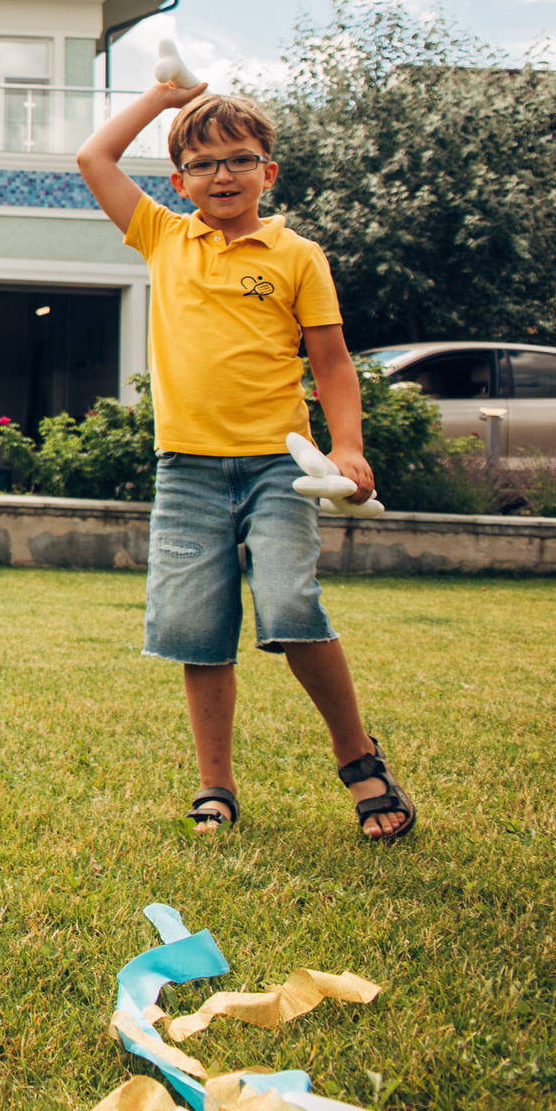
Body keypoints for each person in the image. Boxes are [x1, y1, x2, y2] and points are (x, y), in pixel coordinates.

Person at [77, 82, 416, 842]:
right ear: (179, 181)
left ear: (270, 171)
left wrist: (348, 445)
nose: (222, 175)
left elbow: (330, 364)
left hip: (279, 467)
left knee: (293, 608)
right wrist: (162, 98)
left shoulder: (298, 255)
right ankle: (216, 785)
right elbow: (93, 156)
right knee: (199, 630)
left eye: (240, 159)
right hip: (188, 469)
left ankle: (359, 758)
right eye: (202, 163)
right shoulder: (164, 236)